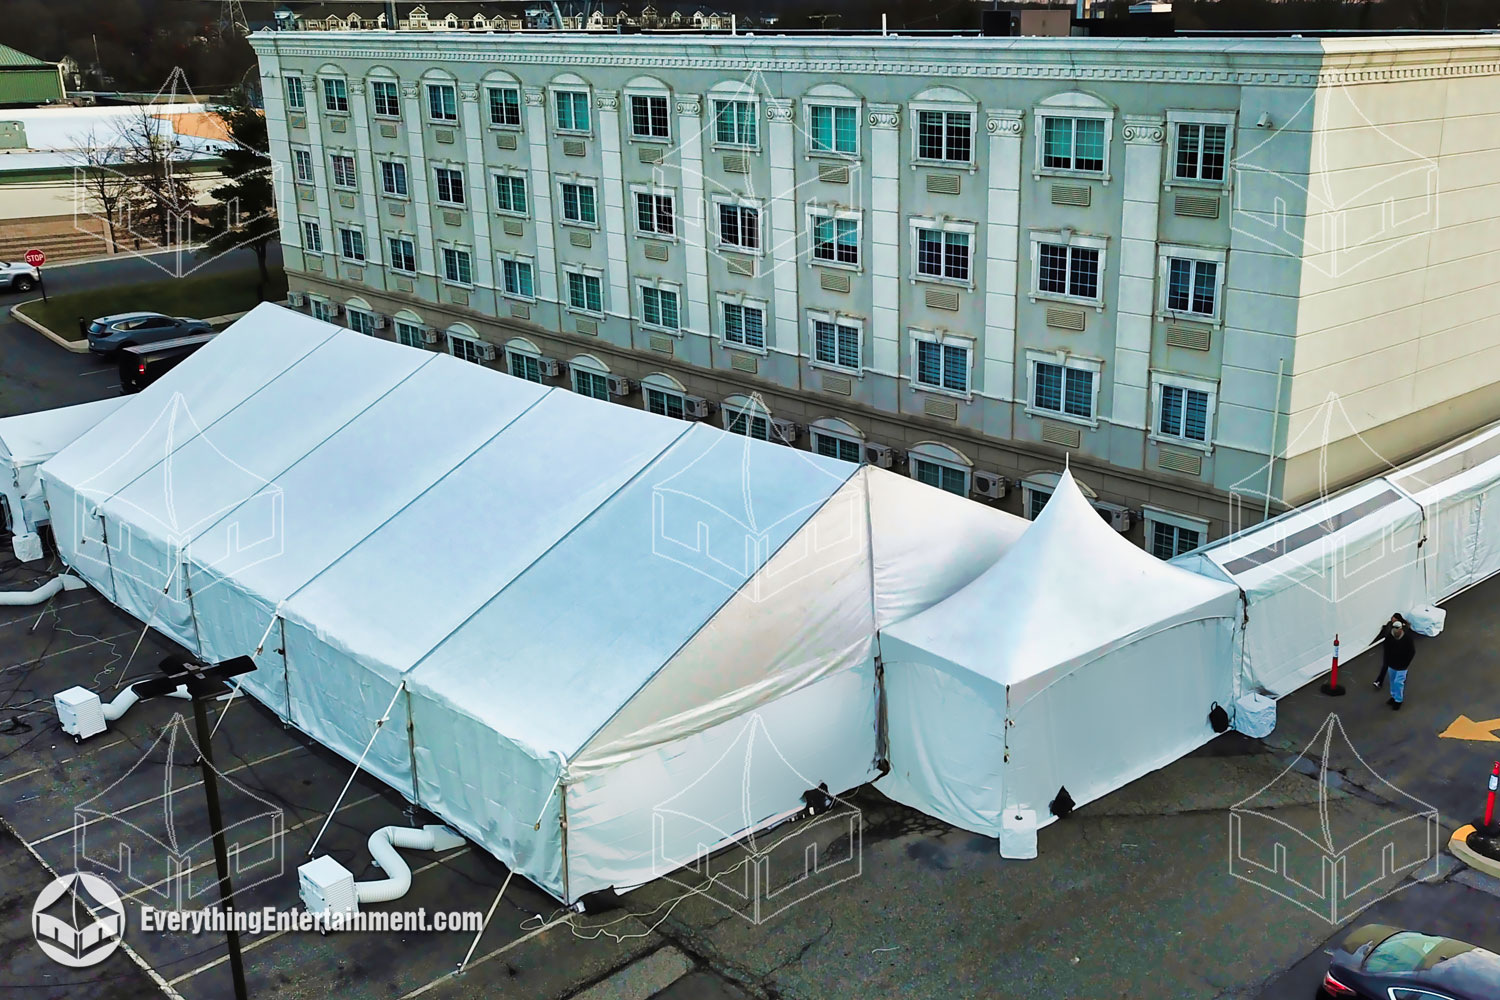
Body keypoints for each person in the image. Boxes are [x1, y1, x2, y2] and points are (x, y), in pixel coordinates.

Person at [1371, 614, 1416, 710]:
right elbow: (1386, 650)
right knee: (1392, 681)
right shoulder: (1389, 637)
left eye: (1397, 628)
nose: (1396, 630)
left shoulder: (1407, 638)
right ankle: (1393, 696)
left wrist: (1406, 663)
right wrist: (1388, 661)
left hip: (1402, 666)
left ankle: (1398, 700)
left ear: (1401, 629)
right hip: (1392, 664)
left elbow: (1411, 652)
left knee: (1398, 682)